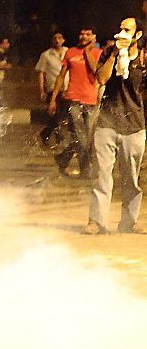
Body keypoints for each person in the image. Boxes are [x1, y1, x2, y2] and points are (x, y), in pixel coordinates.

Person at [85, 18, 147, 235]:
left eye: (126, 30)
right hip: (107, 124)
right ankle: (97, 221)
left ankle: (129, 222)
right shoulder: (109, 51)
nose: (121, 33)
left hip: (134, 126)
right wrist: (113, 55)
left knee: (131, 179)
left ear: (137, 35)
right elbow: (101, 79)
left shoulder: (143, 57)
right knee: (102, 174)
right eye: (120, 28)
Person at [49, 26, 102, 178]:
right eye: (82, 33)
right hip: (73, 100)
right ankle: (85, 170)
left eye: (87, 34)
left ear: (93, 37)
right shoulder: (70, 52)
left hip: (91, 101)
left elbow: (96, 72)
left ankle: (62, 159)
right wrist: (53, 99)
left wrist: (87, 51)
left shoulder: (98, 53)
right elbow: (61, 76)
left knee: (87, 138)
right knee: (81, 136)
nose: (84, 36)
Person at [35, 32, 67, 145]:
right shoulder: (46, 55)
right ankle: (57, 137)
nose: (57, 40)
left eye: (59, 38)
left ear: (63, 40)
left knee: (63, 115)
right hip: (53, 88)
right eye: (55, 38)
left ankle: (47, 134)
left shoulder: (68, 52)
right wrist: (42, 90)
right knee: (55, 114)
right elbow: (41, 73)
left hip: (67, 88)